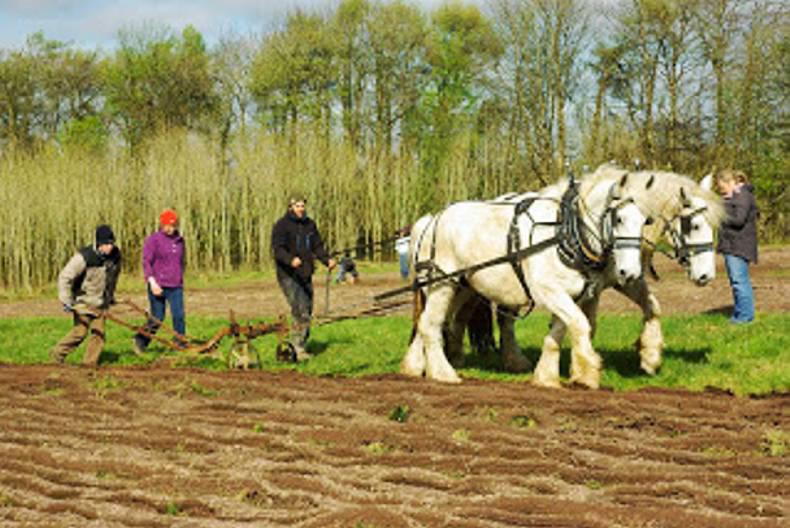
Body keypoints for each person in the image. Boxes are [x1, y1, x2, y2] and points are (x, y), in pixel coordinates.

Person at [271, 195, 336, 360]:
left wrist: (327, 260)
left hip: (306, 273)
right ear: (290, 207)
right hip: (288, 275)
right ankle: (297, 348)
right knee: (299, 310)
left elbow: (317, 247)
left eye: (303, 206)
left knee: (307, 309)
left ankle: (300, 344)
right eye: (298, 206)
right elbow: (278, 250)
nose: (301, 209)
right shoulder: (281, 225)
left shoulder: (310, 225)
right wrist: (290, 260)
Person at [50, 225, 121, 366]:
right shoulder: (84, 257)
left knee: (99, 334)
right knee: (80, 332)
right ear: (99, 243)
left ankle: (89, 365)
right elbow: (65, 277)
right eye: (106, 244)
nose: (110, 247)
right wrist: (66, 300)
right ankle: (57, 354)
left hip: (100, 302)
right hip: (82, 300)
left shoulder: (115, 256)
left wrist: (110, 297)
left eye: (111, 243)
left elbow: (113, 277)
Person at [133, 209, 187, 353]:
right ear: (161, 224)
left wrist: (180, 276)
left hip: (175, 284)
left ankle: (180, 342)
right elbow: (146, 262)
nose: (170, 228)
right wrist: (152, 282)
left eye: (172, 225)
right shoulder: (153, 240)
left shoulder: (180, 241)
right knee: (157, 317)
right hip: (158, 284)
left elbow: (181, 262)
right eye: (167, 225)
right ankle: (141, 339)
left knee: (179, 315)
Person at [716, 169, 759, 324]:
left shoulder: (742, 196)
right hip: (732, 244)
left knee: (739, 281)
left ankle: (744, 316)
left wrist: (719, 213)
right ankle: (742, 314)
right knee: (738, 281)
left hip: (739, 245)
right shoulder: (733, 197)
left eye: (722, 188)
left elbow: (739, 220)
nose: (721, 191)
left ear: (731, 183)